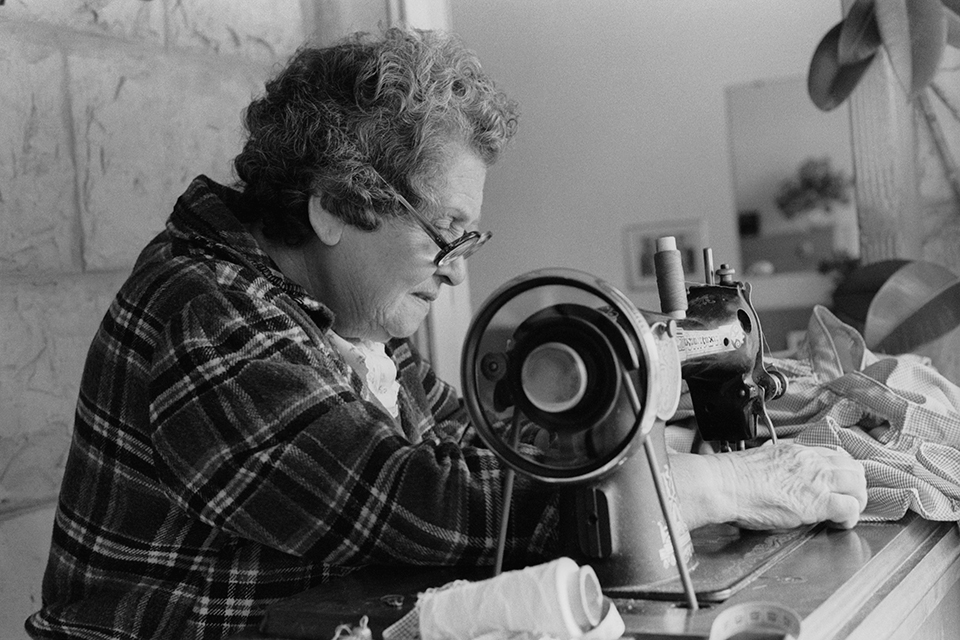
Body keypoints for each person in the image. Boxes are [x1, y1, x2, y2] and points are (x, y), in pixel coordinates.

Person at [26, 27, 866, 640]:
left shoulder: (347, 325)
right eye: (447, 231)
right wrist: (722, 487)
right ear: (333, 205)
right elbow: (421, 501)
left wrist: (649, 429)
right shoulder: (206, 314)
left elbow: (486, 450)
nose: (459, 268)